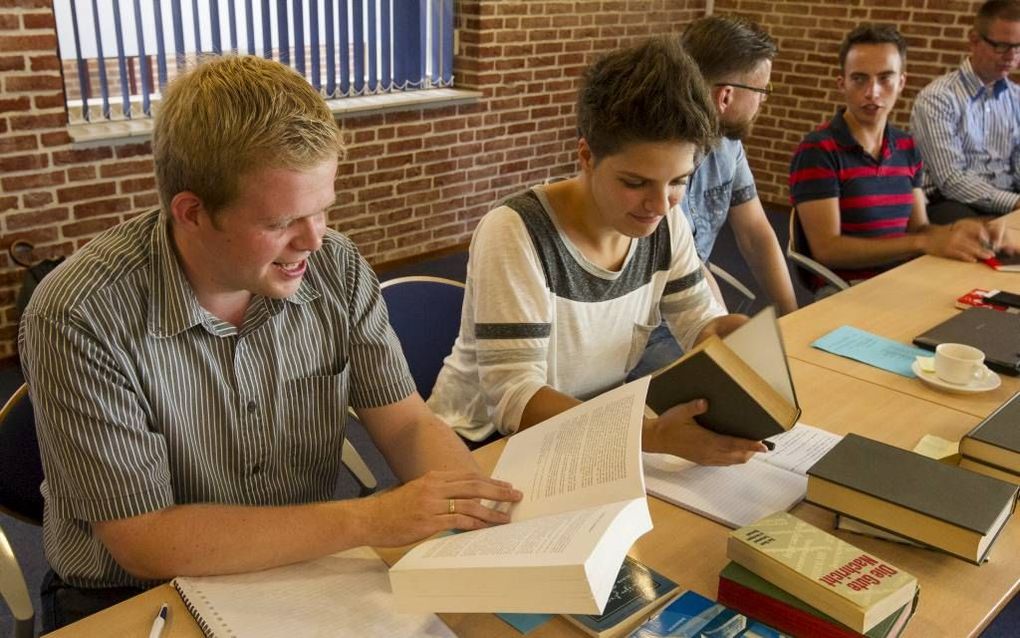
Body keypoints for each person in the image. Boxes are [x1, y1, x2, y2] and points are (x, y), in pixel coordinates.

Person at [18, 56, 521, 631]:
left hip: (302, 559)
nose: (315, 239)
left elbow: (405, 424)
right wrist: (370, 519)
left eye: (324, 208)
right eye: (283, 221)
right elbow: (144, 538)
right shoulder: (79, 315)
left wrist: (470, 513)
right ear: (192, 213)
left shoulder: (336, 267)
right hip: (136, 594)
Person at [426, 36, 768, 465]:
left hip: (588, 421)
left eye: (679, 181)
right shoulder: (515, 232)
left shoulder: (665, 223)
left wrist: (727, 334)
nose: (660, 205)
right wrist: (651, 436)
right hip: (484, 441)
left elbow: (697, 321)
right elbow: (515, 400)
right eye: (635, 182)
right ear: (586, 154)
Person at [788, 24, 1009, 293]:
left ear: (902, 82)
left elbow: (920, 229)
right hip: (846, 289)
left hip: (903, 277)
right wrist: (920, 243)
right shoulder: (819, 149)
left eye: (885, 78)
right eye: (859, 79)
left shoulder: (906, 146)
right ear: (841, 83)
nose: (873, 92)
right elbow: (828, 250)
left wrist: (966, 229)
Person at [680, 15, 798, 316]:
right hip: (648, 320)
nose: (762, 103)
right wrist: (719, 332)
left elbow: (756, 234)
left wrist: (791, 316)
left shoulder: (728, 145)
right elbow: (685, 264)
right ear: (726, 96)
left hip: (692, 303)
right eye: (761, 92)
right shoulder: (658, 154)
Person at [910, 0, 1020, 223]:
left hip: (1007, 199)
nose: (1011, 57)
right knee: (987, 239)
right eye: (1001, 46)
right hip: (951, 202)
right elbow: (950, 179)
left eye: (1018, 47)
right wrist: (1014, 203)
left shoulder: (1017, 97)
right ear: (974, 41)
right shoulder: (937, 98)